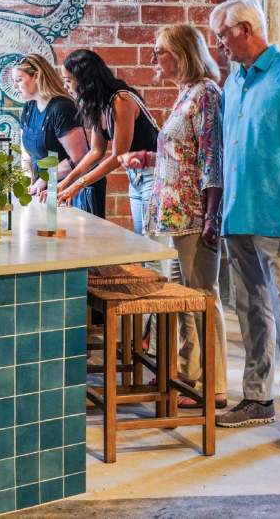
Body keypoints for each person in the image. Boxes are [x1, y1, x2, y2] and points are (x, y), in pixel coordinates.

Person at [209, 0, 280, 450]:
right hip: (239, 214)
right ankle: (257, 398)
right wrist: (220, 210)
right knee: (251, 311)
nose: (219, 45)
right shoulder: (233, 81)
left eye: (222, 35)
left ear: (246, 29)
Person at [122, 24, 228, 408]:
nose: (154, 58)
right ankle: (190, 374)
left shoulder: (207, 95)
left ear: (184, 53)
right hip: (174, 215)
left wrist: (213, 216)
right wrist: (149, 158)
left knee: (202, 297)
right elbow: (181, 153)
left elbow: (213, 159)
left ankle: (214, 384)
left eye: (161, 51)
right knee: (183, 300)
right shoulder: (186, 94)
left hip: (195, 216)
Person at [57, 49, 158, 225]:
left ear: (84, 80)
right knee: (143, 236)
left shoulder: (121, 100)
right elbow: (96, 152)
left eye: (68, 80)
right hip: (135, 177)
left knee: (152, 238)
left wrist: (78, 185)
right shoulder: (99, 105)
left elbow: (118, 156)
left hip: (153, 174)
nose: (66, 87)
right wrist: (65, 183)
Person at [12, 54, 91, 206]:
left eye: (19, 80)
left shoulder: (62, 108)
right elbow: (26, 156)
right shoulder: (29, 108)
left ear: (36, 76)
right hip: (43, 192)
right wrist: (28, 180)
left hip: (69, 193)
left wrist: (44, 179)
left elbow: (80, 157)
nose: (15, 87)